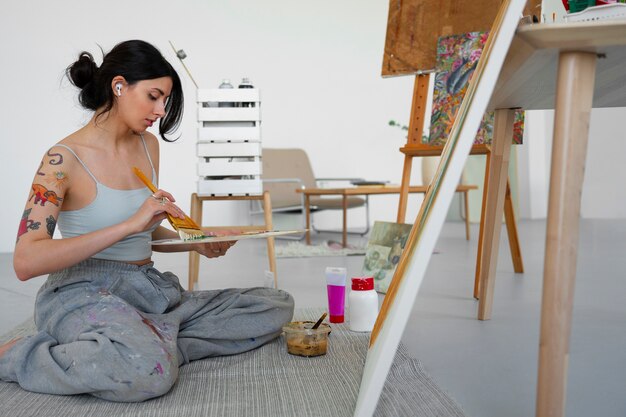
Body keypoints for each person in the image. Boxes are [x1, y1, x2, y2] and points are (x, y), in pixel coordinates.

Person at [0, 40, 294, 402]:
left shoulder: (148, 146)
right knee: (146, 376)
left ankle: (153, 345)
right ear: (119, 86)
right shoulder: (63, 159)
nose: (160, 110)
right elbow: (26, 261)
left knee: (273, 305)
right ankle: (15, 356)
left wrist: (195, 243)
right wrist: (130, 225)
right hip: (81, 290)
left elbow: (145, 230)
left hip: (146, 289)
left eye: (165, 100)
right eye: (154, 96)